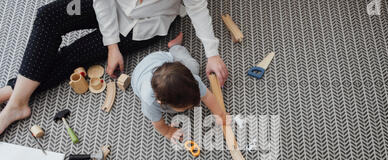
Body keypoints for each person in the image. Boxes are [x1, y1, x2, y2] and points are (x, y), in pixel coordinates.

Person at [0, 0, 228, 135]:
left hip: (140, 27)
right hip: (105, 4)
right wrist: (111, 46)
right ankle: (17, 97)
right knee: (48, 16)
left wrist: (213, 54)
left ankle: (16, 97)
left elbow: (198, 9)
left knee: (74, 56)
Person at [132, 32, 227, 142]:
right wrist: (168, 131)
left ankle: (175, 48)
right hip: (138, 77)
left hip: (162, 59)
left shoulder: (192, 79)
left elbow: (207, 97)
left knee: (194, 66)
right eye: (186, 107)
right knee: (172, 112)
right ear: (160, 101)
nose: (191, 107)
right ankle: (175, 47)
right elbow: (158, 123)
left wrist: (220, 114)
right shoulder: (149, 101)